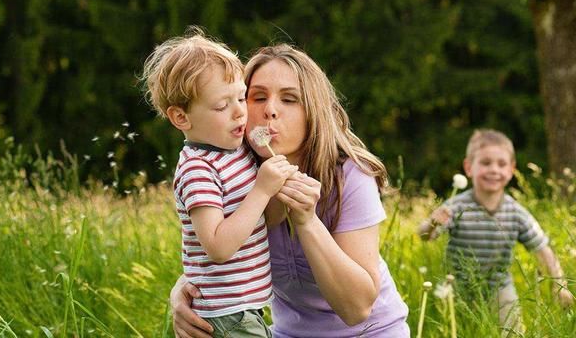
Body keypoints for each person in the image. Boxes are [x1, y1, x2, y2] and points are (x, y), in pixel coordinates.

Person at [171, 44, 410, 337]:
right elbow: (218, 247)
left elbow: (356, 309)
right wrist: (182, 291)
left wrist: (307, 220)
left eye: (290, 99)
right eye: (257, 97)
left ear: (313, 110)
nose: (270, 110)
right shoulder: (232, 174)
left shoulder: (350, 175)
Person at [143, 31, 298, 337]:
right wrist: (263, 189)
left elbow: (268, 218)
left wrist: (279, 185)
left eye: (241, 97)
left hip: (247, 308)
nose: (240, 111)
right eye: (221, 106)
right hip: (226, 315)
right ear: (181, 117)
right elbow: (217, 247)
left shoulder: (237, 151)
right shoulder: (197, 169)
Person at [418, 129, 574, 336]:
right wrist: (432, 223)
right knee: (457, 331)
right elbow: (424, 235)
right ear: (468, 167)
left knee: (513, 332)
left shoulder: (516, 212)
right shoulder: (456, 206)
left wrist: (559, 284)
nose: (494, 169)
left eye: (501, 164)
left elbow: (542, 248)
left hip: (500, 287)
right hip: (457, 285)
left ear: (511, 170)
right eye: (485, 163)